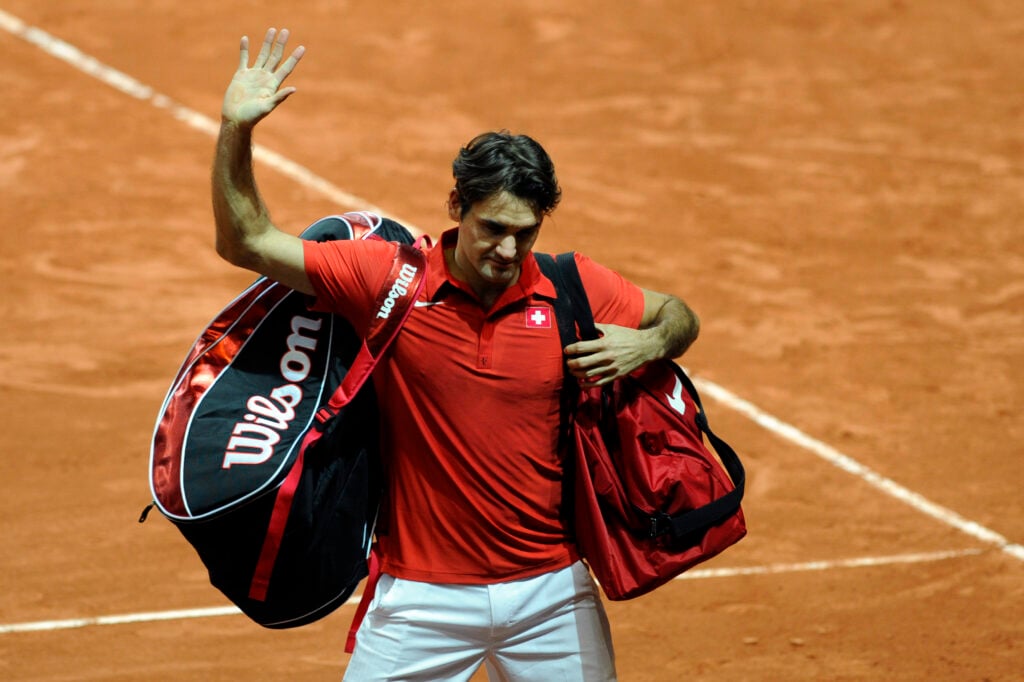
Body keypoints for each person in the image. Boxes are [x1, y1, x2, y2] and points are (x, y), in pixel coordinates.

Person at [212, 27, 700, 682]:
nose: (506, 250)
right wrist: (236, 130)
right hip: (421, 599)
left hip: (551, 594)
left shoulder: (570, 286)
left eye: (523, 234)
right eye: (491, 229)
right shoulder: (390, 281)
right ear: (457, 208)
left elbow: (678, 313)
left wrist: (651, 340)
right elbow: (246, 240)